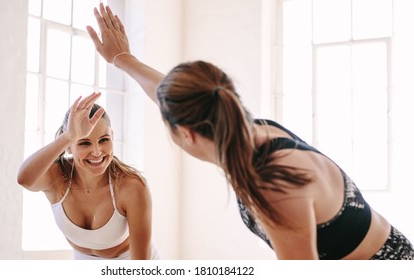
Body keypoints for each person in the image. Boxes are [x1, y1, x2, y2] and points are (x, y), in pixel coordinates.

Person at [85, 3, 414, 260]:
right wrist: (122, 59)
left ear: (186, 134)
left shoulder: (273, 185)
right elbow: (169, 96)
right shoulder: (246, 129)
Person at [17, 92, 160, 260]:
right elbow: (24, 179)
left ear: (112, 137)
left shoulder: (131, 186)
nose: (97, 152)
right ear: (69, 147)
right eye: (84, 142)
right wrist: (69, 136)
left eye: (104, 140)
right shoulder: (57, 178)